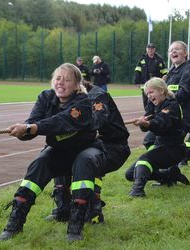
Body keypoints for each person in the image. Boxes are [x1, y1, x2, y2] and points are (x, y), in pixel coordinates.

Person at [0, 63, 107, 242]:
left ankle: (75, 228)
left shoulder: (84, 103)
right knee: (39, 163)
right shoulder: (45, 97)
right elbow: (32, 124)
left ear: (76, 85)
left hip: (87, 149)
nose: (61, 83)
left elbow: (61, 122)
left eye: (67, 80)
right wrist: (23, 131)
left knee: (83, 162)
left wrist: (32, 127)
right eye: (58, 78)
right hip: (60, 151)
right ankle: (14, 223)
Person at [45, 79, 130, 224]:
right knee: (58, 152)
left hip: (113, 147)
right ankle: (63, 209)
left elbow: (98, 121)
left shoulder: (96, 95)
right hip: (94, 143)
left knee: (86, 159)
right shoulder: (70, 98)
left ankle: (93, 211)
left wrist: (76, 128)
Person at [126, 41, 190, 186]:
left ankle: (169, 171)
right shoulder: (172, 71)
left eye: (177, 49)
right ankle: (168, 173)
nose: (174, 52)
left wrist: (164, 103)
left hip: (185, 114)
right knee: (150, 140)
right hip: (170, 113)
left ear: (185, 53)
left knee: (172, 142)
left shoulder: (189, 69)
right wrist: (149, 114)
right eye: (171, 50)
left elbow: (182, 94)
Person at [128, 78, 189, 197]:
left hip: (174, 149)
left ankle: (137, 191)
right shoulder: (152, 104)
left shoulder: (171, 105)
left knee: (144, 160)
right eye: (147, 94)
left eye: (151, 92)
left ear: (161, 90)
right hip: (161, 146)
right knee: (130, 174)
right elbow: (147, 124)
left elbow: (162, 124)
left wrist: (147, 123)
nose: (149, 96)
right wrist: (143, 122)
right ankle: (169, 176)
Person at [134, 43, 168, 109]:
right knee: (146, 99)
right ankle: (147, 113)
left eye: (152, 49)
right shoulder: (142, 59)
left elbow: (165, 70)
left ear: (154, 50)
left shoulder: (159, 59)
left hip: (156, 84)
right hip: (145, 83)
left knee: (156, 99)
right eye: (149, 49)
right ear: (146, 50)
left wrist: (165, 77)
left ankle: (156, 112)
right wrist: (137, 81)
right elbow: (138, 70)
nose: (150, 50)